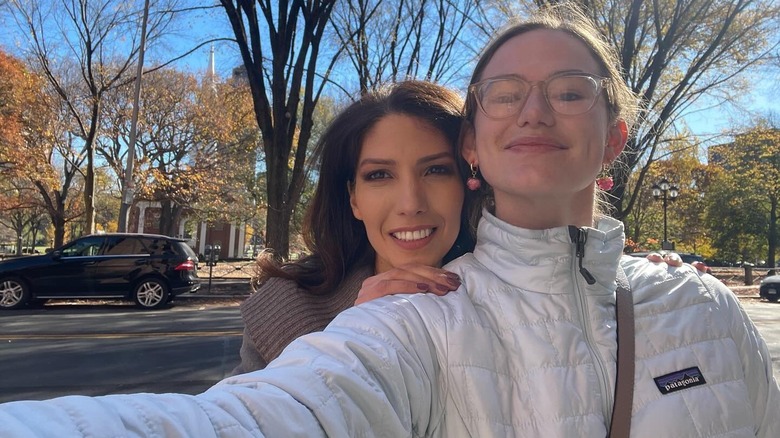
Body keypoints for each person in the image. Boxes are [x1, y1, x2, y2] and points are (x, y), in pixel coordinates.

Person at [2, 5, 777, 437]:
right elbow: (258, 416)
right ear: (480, 139)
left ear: (615, 135)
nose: (536, 109)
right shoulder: (405, 322)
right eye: (506, 92)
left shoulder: (700, 307)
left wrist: (652, 281)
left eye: (571, 90)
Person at [234, 80, 474, 372]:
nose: (410, 204)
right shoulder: (285, 311)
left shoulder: (514, 297)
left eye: (436, 170)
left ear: (467, 183)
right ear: (353, 199)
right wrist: (352, 335)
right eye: (380, 175)